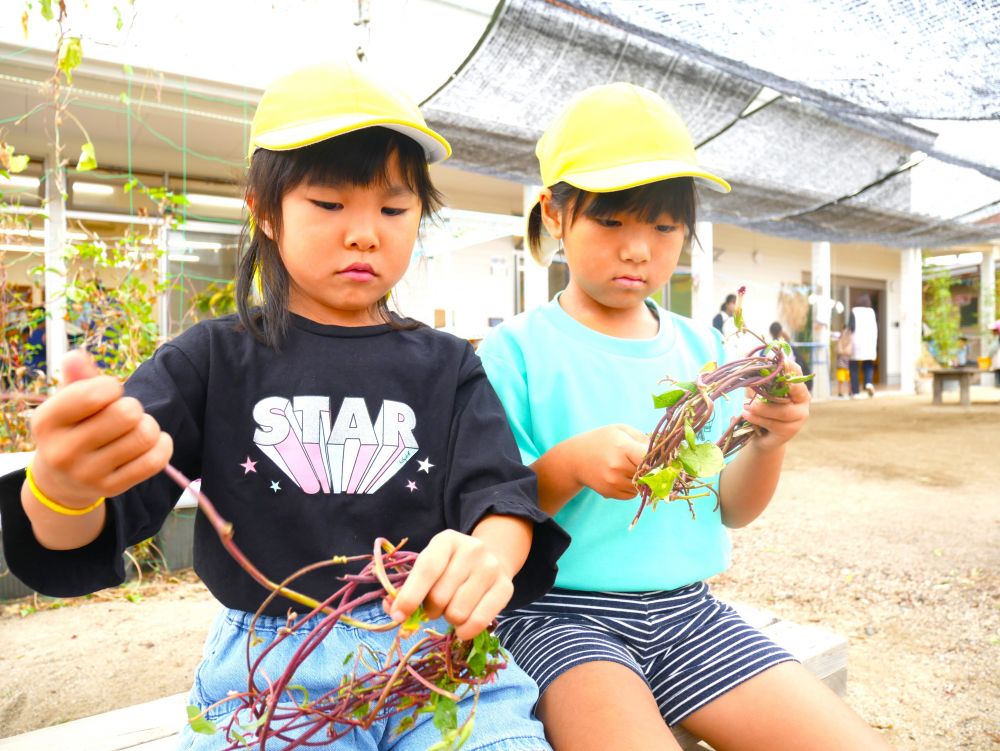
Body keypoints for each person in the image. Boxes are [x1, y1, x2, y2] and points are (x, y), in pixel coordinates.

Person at [0, 61, 568, 751]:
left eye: (393, 209)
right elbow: (89, 528)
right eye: (328, 205)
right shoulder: (208, 360)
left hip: (437, 660)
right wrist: (61, 490)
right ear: (264, 212)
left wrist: (488, 558)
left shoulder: (449, 365)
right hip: (273, 676)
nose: (365, 233)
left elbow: (500, 495)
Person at [477, 83, 890, 751]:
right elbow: (492, 513)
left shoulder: (707, 350)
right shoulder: (517, 351)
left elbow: (729, 504)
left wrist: (771, 439)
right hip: (560, 617)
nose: (639, 249)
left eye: (664, 226)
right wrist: (571, 463)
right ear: (555, 214)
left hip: (690, 613)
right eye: (612, 222)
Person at [848, 294, 878, 397]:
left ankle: (855, 392)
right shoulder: (871, 312)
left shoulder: (854, 311)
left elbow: (851, 328)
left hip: (856, 342)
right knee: (868, 364)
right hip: (869, 342)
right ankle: (868, 383)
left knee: (854, 367)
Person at [835, 326, 854, 398]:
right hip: (841, 365)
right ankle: (840, 392)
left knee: (849, 379)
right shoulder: (839, 341)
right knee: (841, 380)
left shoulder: (850, 342)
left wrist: (844, 351)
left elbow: (849, 352)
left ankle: (850, 391)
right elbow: (839, 351)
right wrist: (844, 351)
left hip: (849, 365)